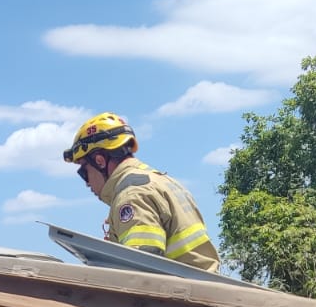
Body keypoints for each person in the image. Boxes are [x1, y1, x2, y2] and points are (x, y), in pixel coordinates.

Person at [64, 113, 220, 273]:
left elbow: (141, 270)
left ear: (100, 161)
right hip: (205, 290)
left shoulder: (132, 193)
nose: (87, 183)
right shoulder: (161, 181)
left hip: (182, 294)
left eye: (84, 172)